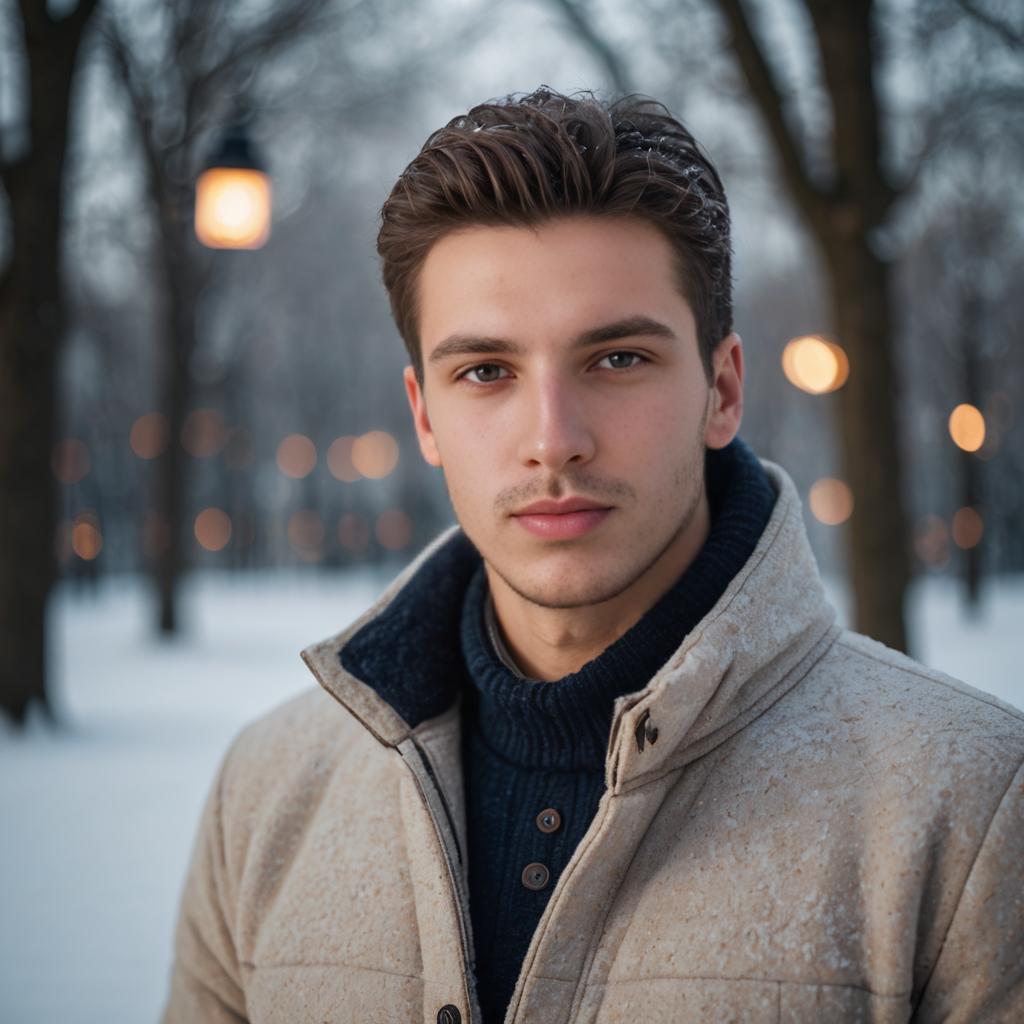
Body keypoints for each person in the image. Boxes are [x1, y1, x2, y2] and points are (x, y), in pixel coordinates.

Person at [161, 87, 1024, 1024]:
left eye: (616, 359)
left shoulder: (970, 807)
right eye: (485, 372)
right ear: (424, 416)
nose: (553, 439)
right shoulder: (270, 791)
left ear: (722, 390)